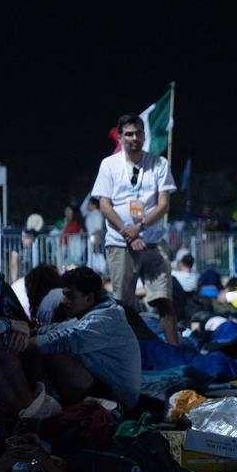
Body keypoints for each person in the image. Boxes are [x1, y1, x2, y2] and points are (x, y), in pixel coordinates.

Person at [92, 113, 180, 346]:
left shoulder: (159, 163)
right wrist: (128, 233)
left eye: (138, 133)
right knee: (124, 305)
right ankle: (129, 352)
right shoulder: (109, 164)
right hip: (120, 244)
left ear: (144, 135)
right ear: (120, 137)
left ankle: (176, 352)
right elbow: (105, 205)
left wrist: (139, 228)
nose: (134, 138)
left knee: (164, 300)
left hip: (152, 242)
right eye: (129, 134)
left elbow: (163, 204)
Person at [29, 266, 141, 409]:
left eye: (70, 296)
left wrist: (26, 343)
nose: (64, 301)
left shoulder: (103, 320)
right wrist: (31, 332)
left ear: (89, 298)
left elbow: (62, 339)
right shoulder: (94, 313)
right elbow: (61, 328)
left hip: (117, 400)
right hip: (104, 386)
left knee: (51, 351)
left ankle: (31, 405)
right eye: (64, 295)